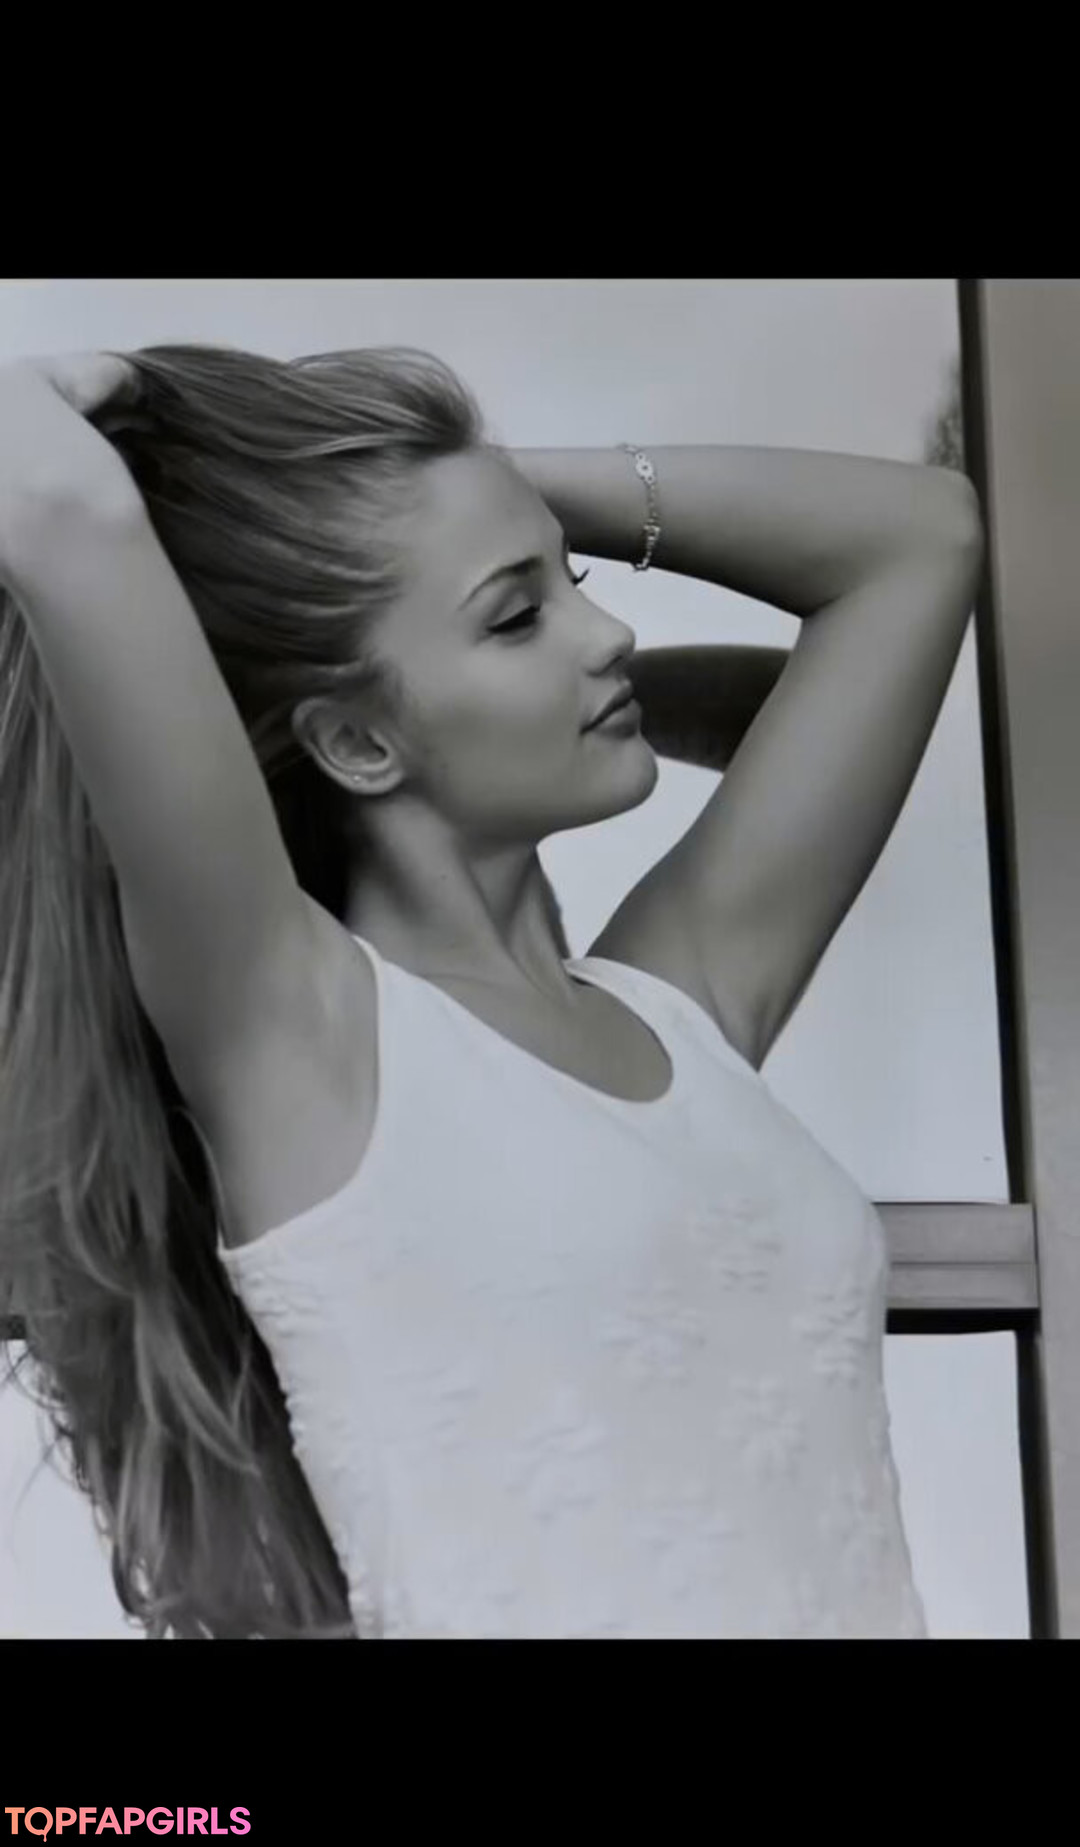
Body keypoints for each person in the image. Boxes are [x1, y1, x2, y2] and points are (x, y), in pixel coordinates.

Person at [0, 343, 983, 1639]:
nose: (610, 635)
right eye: (517, 618)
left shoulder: (685, 1004)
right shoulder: (300, 1034)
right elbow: (51, 496)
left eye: (573, 582)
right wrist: (118, 384)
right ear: (356, 741)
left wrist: (478, 490)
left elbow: (920, 536)